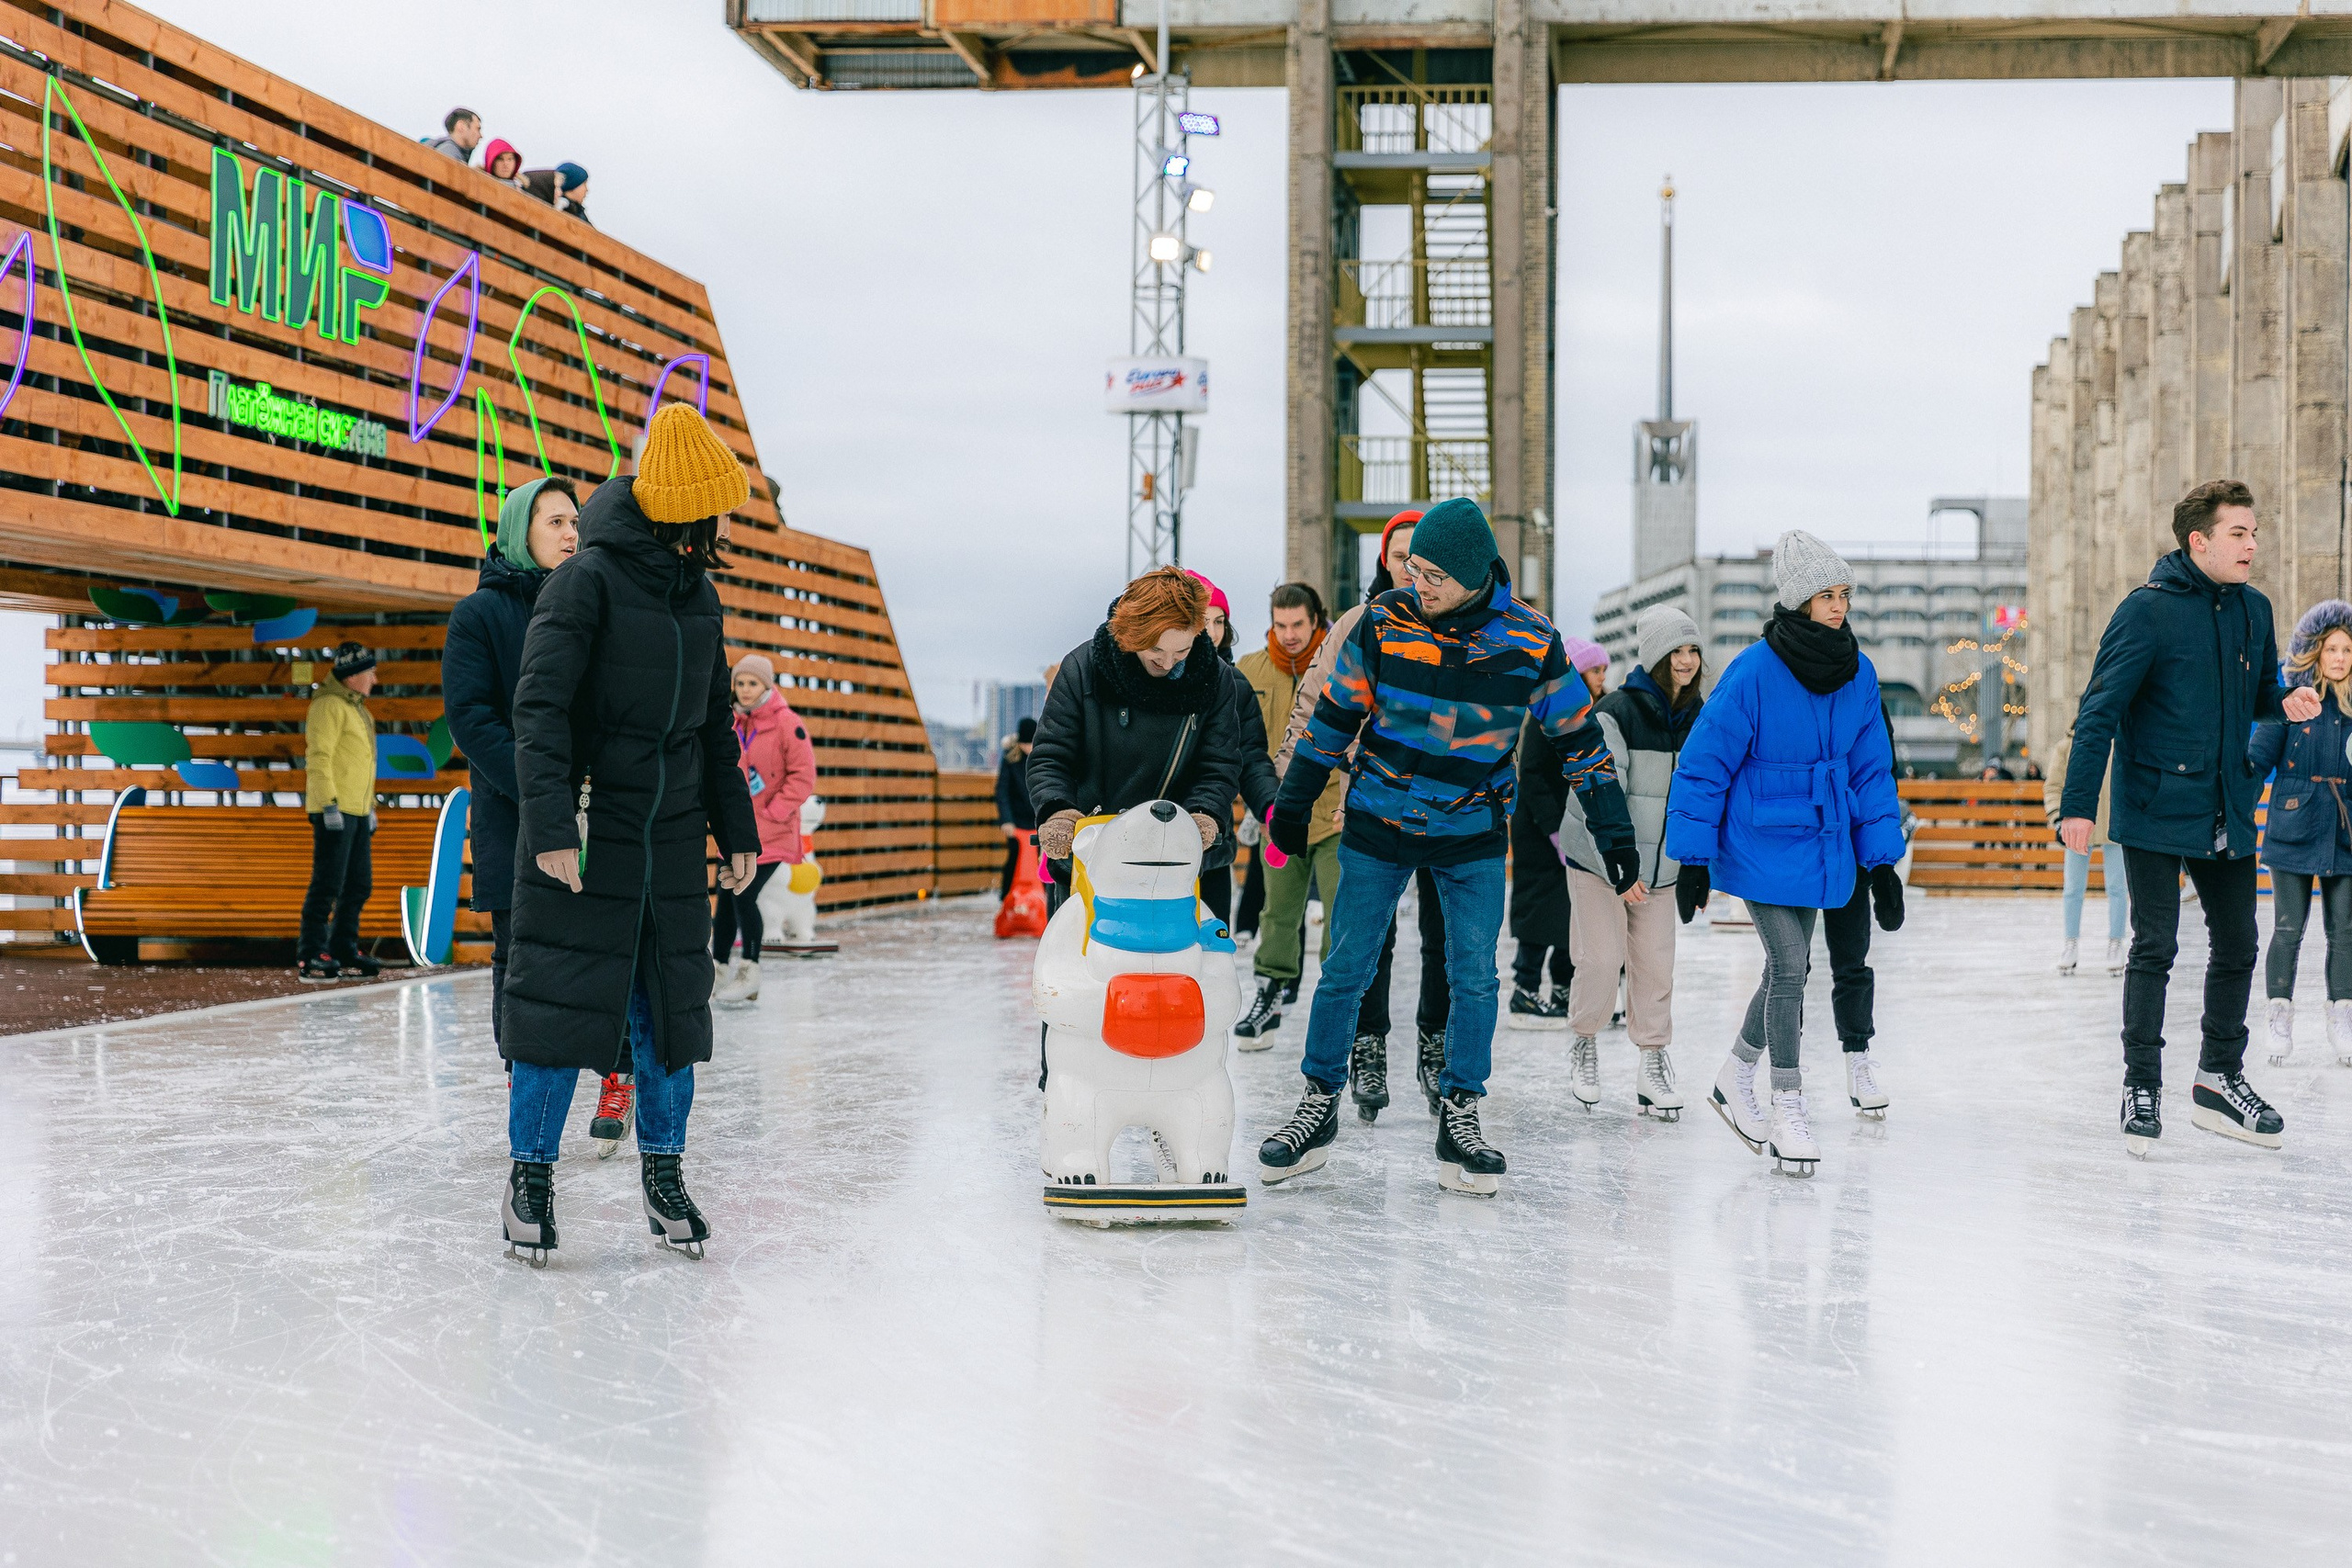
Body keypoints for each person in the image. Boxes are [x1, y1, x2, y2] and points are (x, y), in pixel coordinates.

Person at [1255, 499, 1638, 1195]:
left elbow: (1581, 742)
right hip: (1378, 821)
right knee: (1346, 965)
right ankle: (1319, 1100)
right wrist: (1291, 803)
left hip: (1471, 833)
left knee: (1475, 976)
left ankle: (1461, 1109)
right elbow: (1333, 720)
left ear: (1470, 572)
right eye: (1413, 568)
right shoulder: (1384, 623)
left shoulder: (1530, 640)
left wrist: (1615, 831)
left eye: (1432, 572)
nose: (1417, 582)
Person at [498, 403, 763, 1265]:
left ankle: (664, 1171)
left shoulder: (700, 596)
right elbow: (537, 709)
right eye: (715, 509)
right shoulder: (588, 581)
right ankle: (530, 1176)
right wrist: (548, 827)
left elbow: (714, 730)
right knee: (558, 1010)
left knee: (668, 1013)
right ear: (684, 508)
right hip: (586, 833)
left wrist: (739, 830)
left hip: (674, 841)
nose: (722, 526)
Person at [2059, 479, 2318, 1156]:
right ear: (2198, 540)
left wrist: (2285, 702)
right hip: (2152, 806)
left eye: (2255, 532)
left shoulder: (2254, 611)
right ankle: (2141, 1083)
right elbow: (2098, 712)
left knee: (2238, 943)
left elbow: (2260, 690)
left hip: (2225, 806)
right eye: (2238, 533)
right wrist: (2078, 807)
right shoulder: (2146, 612)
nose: (2252, 544)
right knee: (2156, 945)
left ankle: (2217, 1078)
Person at [1665, 531, 1906, 1177]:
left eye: (1844, 594)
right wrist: (1691, 856)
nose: (1838, 606)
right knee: (1792, 964)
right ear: (1799, 600)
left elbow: (1870, 770)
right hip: (1758, 837)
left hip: (1822, 842)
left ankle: (1735, 1072)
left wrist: (1881, 861)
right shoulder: (1753, 672)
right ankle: (1787, 1100)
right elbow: (1703, 765)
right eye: (1827, 595)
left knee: (1786, 969)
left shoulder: (1858, 672)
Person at [1275, 512, 1453, 1121]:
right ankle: (1367, 1042)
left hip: (1446, 803)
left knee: (1444, 930)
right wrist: (1287, 781)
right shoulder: (1360, 622)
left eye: (1419, 554)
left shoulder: (1461, 622)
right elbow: (1315, 704)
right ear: (1386, 560)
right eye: (1399, 554)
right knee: (1371, 930)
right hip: (1375, 797)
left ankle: (1436, 1041)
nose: (1410, 565)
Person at [443, 475, 580, 1051]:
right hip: (515, 812)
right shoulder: (479, 614)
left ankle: (612, 1077)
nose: (572, 534)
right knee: (520, 956)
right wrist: (541, 791)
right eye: (556, 523)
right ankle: (522, 1082)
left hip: (593, 810)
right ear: (520, 532)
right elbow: (472, 720)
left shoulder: (589, 603)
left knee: (591, 953)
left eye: (576, 522)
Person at [1025, 565, 1241, 921]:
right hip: (1090, 852)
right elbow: (1051, 755)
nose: (1167, 661)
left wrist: (1203, 812)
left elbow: (1219, 764)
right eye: (1156, 648)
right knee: (1082, 966)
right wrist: (1058, 810)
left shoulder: (1214, 679)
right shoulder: (1084, 668)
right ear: (1133, 634)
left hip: (1172, 859)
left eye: (1181, 650)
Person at [1559, 604, 1704, 1119]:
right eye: (1676, 651)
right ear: (1654, 656)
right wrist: (1620, 864)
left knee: (1655, 966)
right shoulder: (1616, 711)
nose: (1686, 661)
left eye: (1692, 650)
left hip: (1661, 869)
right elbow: (1604, 792)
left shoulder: (1697, 716)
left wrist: (1698, 862)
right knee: (1600, 959)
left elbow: (1702, 794)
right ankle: (1584, 1041)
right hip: (1602, 860)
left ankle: (1652, 1060)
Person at [1233, 582, 1346, 1043]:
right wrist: (1251, 801)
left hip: (1336, 814)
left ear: (1317, 620)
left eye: (1298, 624)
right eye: (1281, 625)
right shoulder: (1249, 670)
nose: (1290, 634)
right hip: (1277, 818)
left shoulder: (1345, 664)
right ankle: (1271, 993)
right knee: (1276, 911)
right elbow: (1242, 745)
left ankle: (1340, 1006)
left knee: (1342, 913)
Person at [2249, 599, 2352, 1067]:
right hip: (2293, 825)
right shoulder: (2294, 698)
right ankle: (2278, 1015)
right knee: (2289, 929)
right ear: (2316, 652)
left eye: (2348, 650)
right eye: (2332, 649)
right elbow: (2258, 758)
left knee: (2345, 932)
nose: (2340, 658)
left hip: (2345, 833)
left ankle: (2343, 1016)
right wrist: (2233, 807)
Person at [1506, 636, 1608, 1032]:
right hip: (1539, 827)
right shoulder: (1546, 712)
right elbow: (1530, 774)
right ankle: (1526, 987)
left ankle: (1565, 986)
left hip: (1578, 826)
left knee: (1572, 912)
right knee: (1538, 908)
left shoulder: (1598, 710)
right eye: (1596, 670)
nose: (1602, 677)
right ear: (1578, 673)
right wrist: (1553, 831)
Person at [713, 653, 817, 1005]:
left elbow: (803, 775)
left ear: (767, 685)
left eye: (752, 683)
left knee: (743, 895)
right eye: (740, 683)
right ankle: (718, 969)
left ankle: (750, 971)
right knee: (725, 899)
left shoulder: (787, 723)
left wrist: (774, 812)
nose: (744, 690)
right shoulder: (731, 722)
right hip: (736, 831)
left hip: (770, 832)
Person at [1194, 571, 1275, 924]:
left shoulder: (1235, 684)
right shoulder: (1151, 677)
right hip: (1152, 841)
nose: (1212, 631)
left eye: (1219, 621)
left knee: (1212, 953)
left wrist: (1272, 806)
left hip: (1212, 841)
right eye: (1203, 620)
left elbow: (1252, 756)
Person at [299, 642, 381, 981]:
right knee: (328, 884)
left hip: (357, 810)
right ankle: (311, 953)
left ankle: (343, 946)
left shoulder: (357, 708)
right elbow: (319, 757)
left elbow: (362, 763)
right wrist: (328, 803)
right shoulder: (328, 707)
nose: (374, 679)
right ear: (352, 677)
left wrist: (370, 807)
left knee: (359, 884)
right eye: (369, 673)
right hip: (334, 810)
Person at [2042, 725, 2127, 978]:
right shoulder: (2067, 746)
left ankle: (2116, 943)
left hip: (2115, 824)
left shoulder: (2120, 741)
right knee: (2073, 889)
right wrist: (2058, 819)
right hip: (2077, 825)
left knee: (2117, 888)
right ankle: (2070, 944)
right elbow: (2053, 786)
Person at [995, 716, 1038, 899]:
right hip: (1017, 822)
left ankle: (1043, 902)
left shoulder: (1042, 756)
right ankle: (1006, 899)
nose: (1028, 748)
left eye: (1031, 744)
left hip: (1038, 820)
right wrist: (1007, 821)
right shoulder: (1010, 759)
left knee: (1042, 861)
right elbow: (1002, 791)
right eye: (1025, 744)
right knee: (1014, 857)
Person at [523, 163, 592, 225]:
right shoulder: (558, 209)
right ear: (573, 185)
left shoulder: (577, 211)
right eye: (584, 184)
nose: (587, 190)